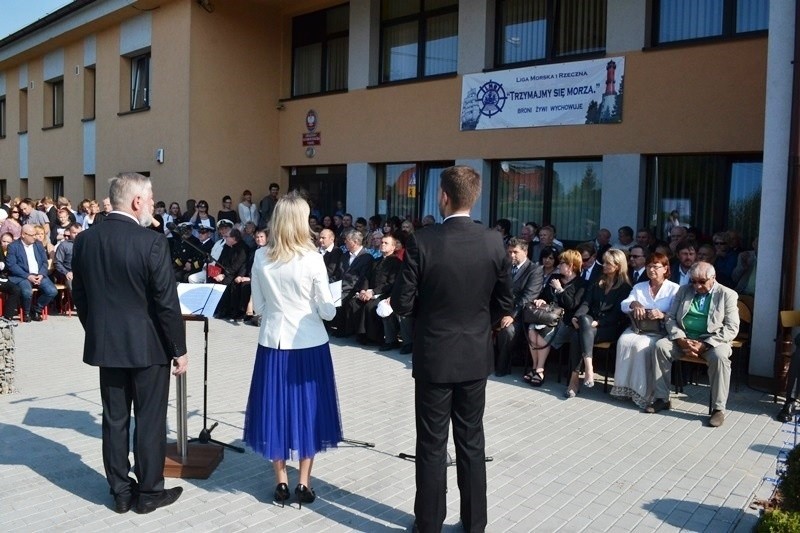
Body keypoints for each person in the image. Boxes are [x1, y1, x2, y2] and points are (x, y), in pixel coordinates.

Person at [391, 165, 513, 533]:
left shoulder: (423, 240)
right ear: (472, 199)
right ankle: (476, 525)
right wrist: (478, 324)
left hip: (434, 355)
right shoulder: (494, 241)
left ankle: (429, 524)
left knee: (431, 444)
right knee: (471, 440)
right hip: (475, 355)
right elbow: (505, 303)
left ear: (444, 196)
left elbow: (402, 303)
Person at [72, 173, 188, 514]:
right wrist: (179, 350)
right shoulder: (151, 242)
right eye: (150, 199)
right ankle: (149, 492)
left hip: (107, 346)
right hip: (149, 348)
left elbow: (80, 296)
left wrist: (96, 329)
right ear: (137, 201)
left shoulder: (86, 240)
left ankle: (120, 492)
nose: (153, 205)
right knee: (150, 420)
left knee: (115, 420)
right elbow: (167, 304)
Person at [243, 191, 342, 508]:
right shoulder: (313, 258)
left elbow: (258, 305)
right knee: (309, 410)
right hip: (309, 343)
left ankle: (281, 483)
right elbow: (328, 312)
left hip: (273, 342)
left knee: (276, 409)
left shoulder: (261, 256)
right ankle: (304, 483)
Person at [648, 262, 739, 427]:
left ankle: (718, 409)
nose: (697, 286)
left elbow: (732, 328)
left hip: (712, 341)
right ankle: (661, 398)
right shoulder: (684, 290)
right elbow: (670, 317)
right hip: (684, 338)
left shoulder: (727, 294)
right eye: (693, 281)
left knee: (720, 357)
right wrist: (680, 339)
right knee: (661, 346)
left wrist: (706, 344)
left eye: (702, 282)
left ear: (713, 278)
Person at [610, 253, 680, 408]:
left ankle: (644, 393)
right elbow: (624, 304)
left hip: (660, 330)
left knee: (641, 346)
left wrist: (662, 314)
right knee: (624, 341)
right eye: (649, 266)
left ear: (665, 269)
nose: (651, 269)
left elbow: (678, 313)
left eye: (656, 266)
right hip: (639, 327)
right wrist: (634, 303)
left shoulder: (674, 289)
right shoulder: (639, 286)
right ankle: (625, 389)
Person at [566, 248, 632, 398]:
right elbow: (586, 303)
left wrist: (598, 322)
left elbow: (617, 314)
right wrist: (576, 317)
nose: (604, 266)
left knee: (577, 336)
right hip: (589, 324)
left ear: (618, 266)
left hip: (609, 327)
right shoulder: (598, 282)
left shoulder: (625, 288)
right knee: (582, 323)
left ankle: (574, 380)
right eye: (604, 263)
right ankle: (588, 367)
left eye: (608, 263)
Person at [524, 249, 585, 387]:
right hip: (547, 316)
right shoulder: (554, 277)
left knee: (542, 334)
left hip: (564, 321)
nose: (559, 266)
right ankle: (535, 367)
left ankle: (540, 369)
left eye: (562, 263)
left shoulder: (581, 283)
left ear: (571, 265)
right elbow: (545, 296)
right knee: (532, 330)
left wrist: (560, 290)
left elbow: (572, 305)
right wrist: (541, 301)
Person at [495, 237, 543, 376]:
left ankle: (502, 367)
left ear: (525, 252)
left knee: (508, 330)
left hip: (519, 314)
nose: (512, 255)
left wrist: (511, 315)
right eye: (509, 252)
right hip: (499, 309)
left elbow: (528, 297)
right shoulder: (505, 267)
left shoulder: (534, 270)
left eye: (515, 252)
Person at [6, 224, 58, 321]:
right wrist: (28, 276)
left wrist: (41, 274)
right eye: (32, 235)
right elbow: (12, 265)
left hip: (38, 274)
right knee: (27, 292)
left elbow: (44, 262)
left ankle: (36, 309)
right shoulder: (13, 246)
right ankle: (26, 313)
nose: (35, 237)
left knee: (52, 291)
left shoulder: (38, 244)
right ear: (23, 235)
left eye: (35, 234)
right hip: (22, 276)